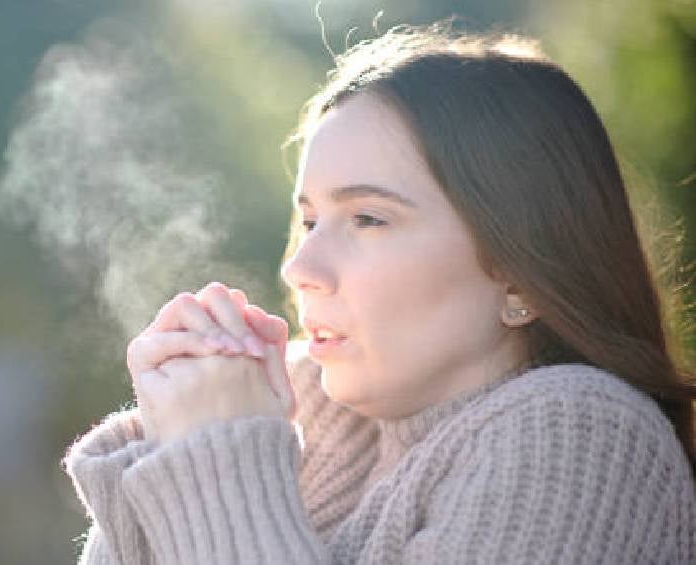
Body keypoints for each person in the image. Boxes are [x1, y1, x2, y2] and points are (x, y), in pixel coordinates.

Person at [62, 21, 696, 564]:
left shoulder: (581, 436)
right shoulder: (306, 420)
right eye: (309, 221)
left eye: (367, 218)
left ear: (519, 267)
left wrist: (221, 463)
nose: (300, 266)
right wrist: (169, 450)